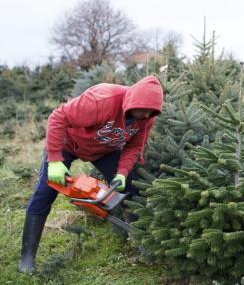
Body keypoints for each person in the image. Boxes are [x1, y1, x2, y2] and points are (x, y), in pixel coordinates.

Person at [18, 75, 163, 273]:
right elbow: (58, 117)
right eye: (144, 110)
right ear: (132, 101)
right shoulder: (101, 100)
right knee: (45, 192)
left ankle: (139, 240)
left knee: (131, 187)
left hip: (103, 149)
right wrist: (54, 160)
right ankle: (27, 257)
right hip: (67, 144)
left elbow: (134, 147)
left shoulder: (146, 119)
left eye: (151, 112)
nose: (146, 116)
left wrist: (121, 173)